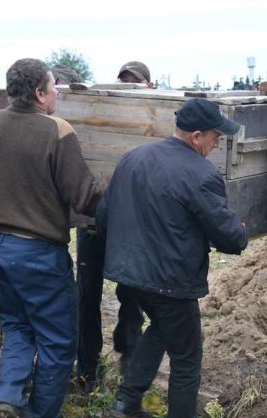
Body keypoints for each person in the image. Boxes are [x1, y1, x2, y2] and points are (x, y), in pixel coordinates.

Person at [97, 98, 247, 418]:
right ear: (196, 137)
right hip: (170, 282)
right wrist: (240, 231)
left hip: (128, 275)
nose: (217, 143)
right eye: (214, 137)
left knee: (163, 328)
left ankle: (128, 398)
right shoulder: (202, 174)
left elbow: (103, 216)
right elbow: (229, 238)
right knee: (187, 359)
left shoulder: (133, 158)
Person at [0, 58, 104, 418]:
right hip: (38, 254)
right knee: (59, 341)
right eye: (53, 86)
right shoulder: (57, 131)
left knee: (16, 326)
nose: (58, 91)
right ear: (39, 94)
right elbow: (85, 197)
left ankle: (9, 397)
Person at [75, 60, 151, 390]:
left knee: (132, 294)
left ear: (149, 85)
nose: (128, 86)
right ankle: (87, 367)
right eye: (123, 82)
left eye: (135, 81)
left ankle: (129, 356)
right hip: (94, 223)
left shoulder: (155, 120)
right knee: (87, 294)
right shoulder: (103, 118)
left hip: (135, 229)